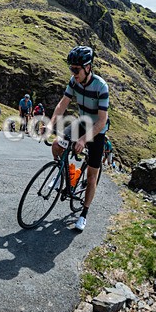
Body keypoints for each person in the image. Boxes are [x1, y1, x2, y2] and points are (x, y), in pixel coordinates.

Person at [48, 45, 109, 232]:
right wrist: (50, 124)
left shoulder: (101, 87)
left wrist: (83, 140)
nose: (73, 73)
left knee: (92, 176)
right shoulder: (73, 82)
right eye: (71, 69)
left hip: (97, 130)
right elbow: (62, 104)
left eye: (76, 69)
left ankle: (83, 214)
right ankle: (61, 175)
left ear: (88, 67)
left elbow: (102, 120)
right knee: (57, 145)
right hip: (81, 122)